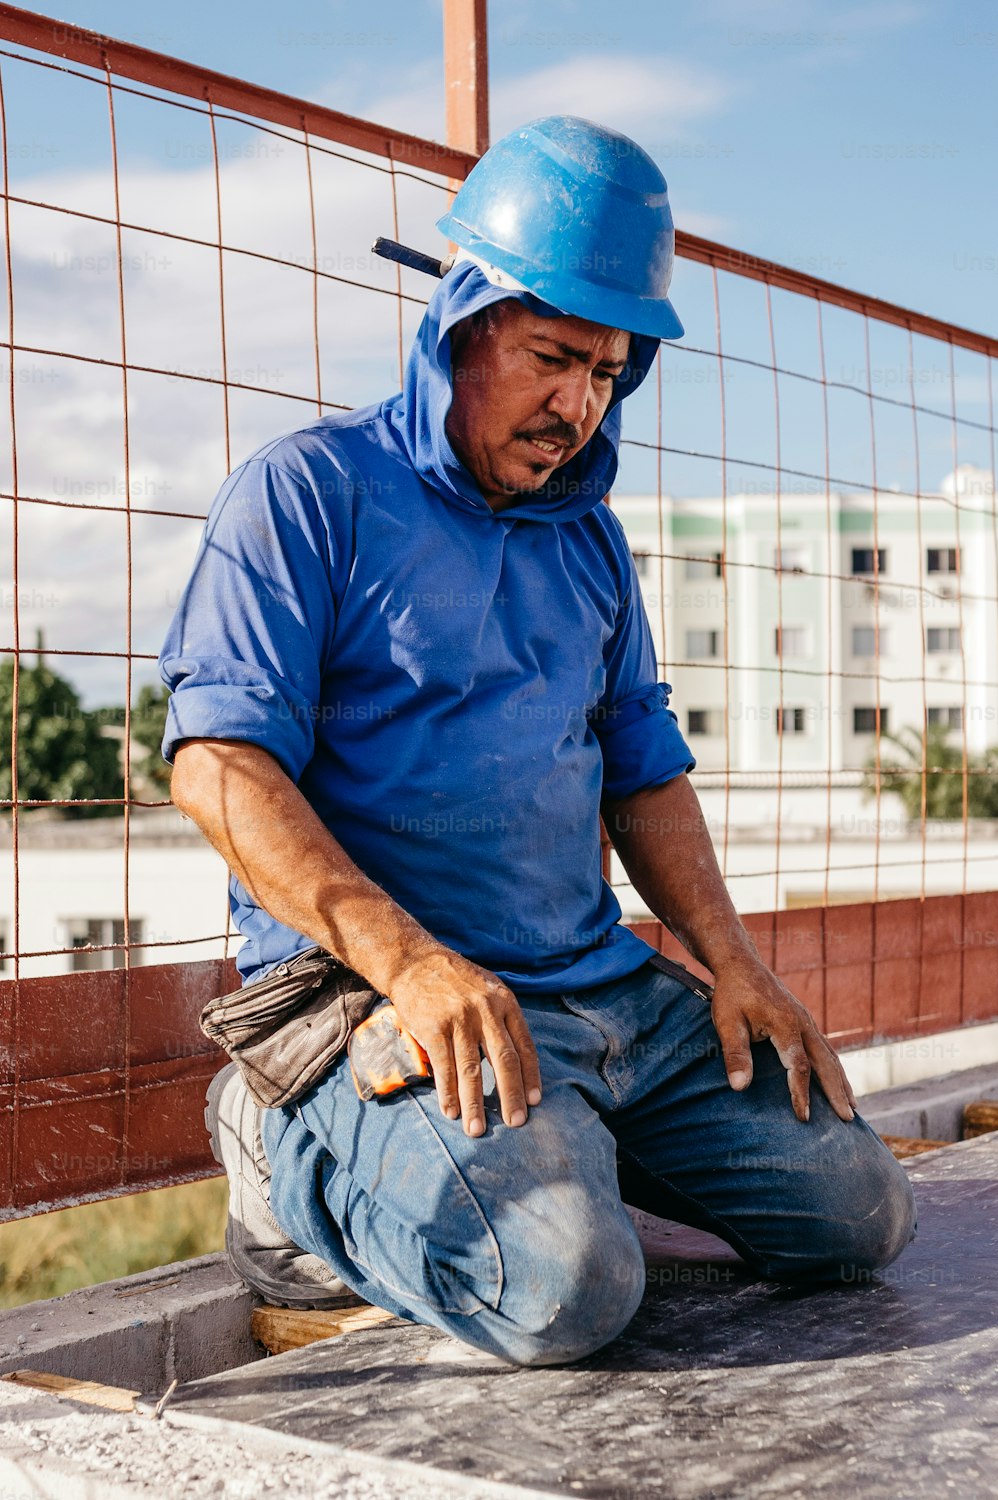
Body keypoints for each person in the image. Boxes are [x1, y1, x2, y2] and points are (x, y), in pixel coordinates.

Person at [160, 116, 916, 1366]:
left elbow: (644, 765)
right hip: (385, 997)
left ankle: (559, 1143)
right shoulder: (305, 495)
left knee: (856, 1215)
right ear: (459, 323)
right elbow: (217, 767)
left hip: (593, 985)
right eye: (552, 357)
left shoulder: (587, 537)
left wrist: (729, 962)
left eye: (608, 372)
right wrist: (409, 965)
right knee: (565, 1292)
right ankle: (275, 1142)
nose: (577, 406)